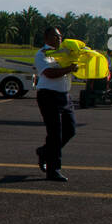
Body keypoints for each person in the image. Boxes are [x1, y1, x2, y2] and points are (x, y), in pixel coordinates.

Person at [34, 26, 78, 182]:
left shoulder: (65, 53)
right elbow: (49, 74)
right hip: (48, 96)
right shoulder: (42, 54)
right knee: (55, 134)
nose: (59, 39)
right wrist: (69, 69)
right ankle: (53, 170)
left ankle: (44, 152)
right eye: (55, 36)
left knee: (70, 130)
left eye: (60, 36)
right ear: (46, 38)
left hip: (65, 96)